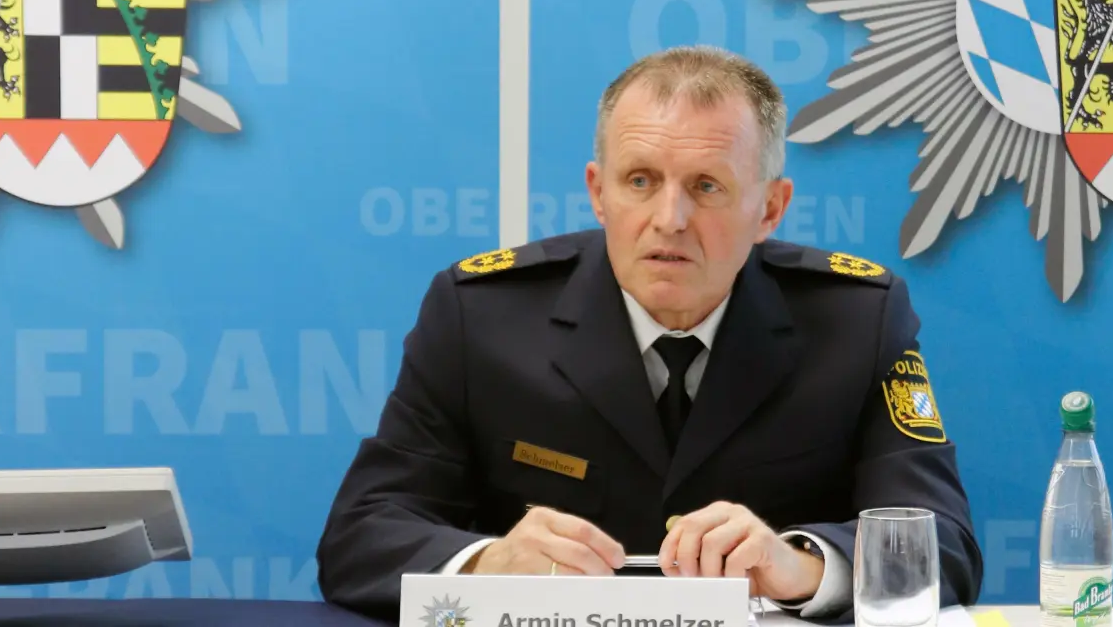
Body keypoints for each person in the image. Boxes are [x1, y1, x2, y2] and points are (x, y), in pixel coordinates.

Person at [315, 46, 983, 622]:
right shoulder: (480, 317)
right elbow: (360, 534)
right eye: (641, 181)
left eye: (707, 186)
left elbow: (942, 542)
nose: (670, 218)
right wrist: (488, 561)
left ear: (770, 208)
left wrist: (802, 564)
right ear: (598, 192)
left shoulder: (856, 320)